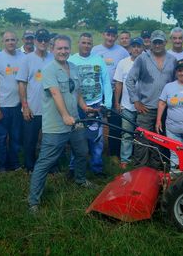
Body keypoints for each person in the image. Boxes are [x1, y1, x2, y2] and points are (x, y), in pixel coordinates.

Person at [28, 35, 96, 213]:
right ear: (52, 49)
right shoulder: (49, 69)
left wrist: (84, 107)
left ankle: (80, 179)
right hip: (56, 125)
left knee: (82, 152)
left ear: (70, 49)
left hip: (75, 121)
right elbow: (56, 94)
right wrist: (65, 115)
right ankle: (34, 201)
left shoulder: (73, 67)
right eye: (59, 48)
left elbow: (77, 92)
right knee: (46, 161)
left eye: (66, 48)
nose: (63, 51)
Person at [126, 30, 176, 168]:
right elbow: (130, 80)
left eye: (160, 42)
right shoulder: (142, 59)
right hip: (146, 108)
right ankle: (140, 168)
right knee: (142, 139)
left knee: (160, 139)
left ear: (165, 42)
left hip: (166, 109)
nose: (158, 45)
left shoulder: (172, 59)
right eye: (155, 42)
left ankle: (157, 167)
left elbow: (176, 82)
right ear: (150, 43)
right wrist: (136, 101)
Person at [68, 32, 112, 177]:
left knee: (97, 138)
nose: (86, 45)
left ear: (92, 45)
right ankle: (73, 167)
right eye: (83, 42)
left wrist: (108, 103)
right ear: (78, 43)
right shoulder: (71, 60)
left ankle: (97, 167)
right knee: (77, 137)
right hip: (77, 106)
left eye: (89, 43)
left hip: (96, 105)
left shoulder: (99, 60)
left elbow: (106, 81)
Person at [17, 28, 54, 173]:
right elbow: (21, 83)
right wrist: (25, 106)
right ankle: (30, 166)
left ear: (49, 40)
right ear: (35, 40)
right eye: (40, 39)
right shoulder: (27, 59)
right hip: (32, 108)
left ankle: (49, 166)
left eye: (46, 39)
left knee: (49, 141)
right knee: (30, 141)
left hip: (50, 109)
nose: (43, 42)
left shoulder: (53, 58)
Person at [92, 25, 129, 158]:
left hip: (115, 91)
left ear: (116, 37)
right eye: (108, 34)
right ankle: (94, 151)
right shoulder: (95, 50)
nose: (110, 38)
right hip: (97, 91)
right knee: (95, 121)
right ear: (103, 34)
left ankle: (113, 153)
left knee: (114, 122)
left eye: (113, 35)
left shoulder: (122, 51)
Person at [0, 31, 24, 172]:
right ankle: (2, 165)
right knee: (2, 138)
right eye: (7, 40)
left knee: (16, 137)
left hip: (18, 105)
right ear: (3, 41)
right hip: (3, 105)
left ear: (17, 41)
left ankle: (14, 163)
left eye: (13, 39)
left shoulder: (23, 57)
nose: (10, 42)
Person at [114, 37, 144, 169]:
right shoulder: (123, 63)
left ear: (143, 48)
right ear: (130, 48)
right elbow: (119, 84)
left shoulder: (147, 62)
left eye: (139, 46)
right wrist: (117, 102)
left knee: (142, 134)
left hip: (143, 106)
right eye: (134, 46)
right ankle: (125, 159)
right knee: (126, 133)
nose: (136, 49)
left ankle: (139, 159)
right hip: (127, 105)